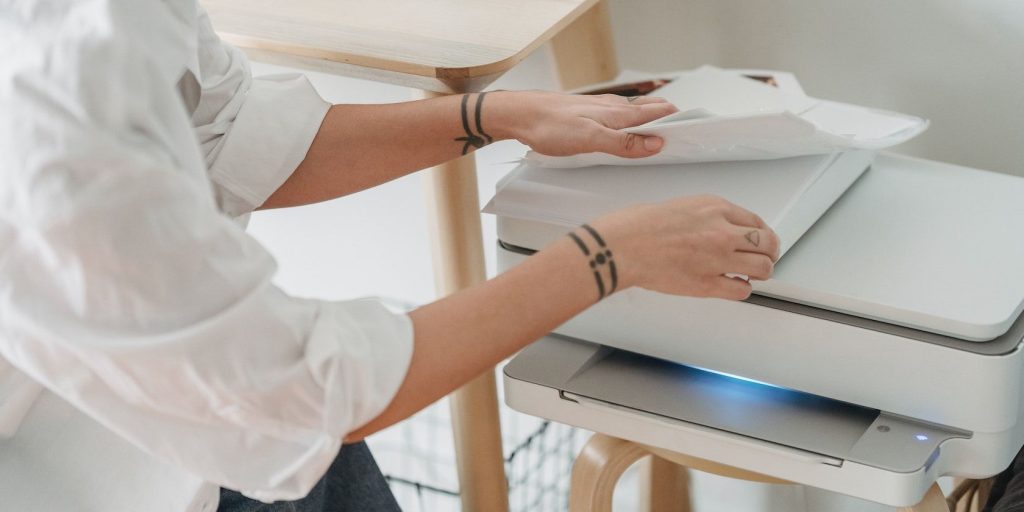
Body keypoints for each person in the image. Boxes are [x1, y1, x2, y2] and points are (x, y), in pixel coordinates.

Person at [0, 1, 780, 510]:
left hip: (217, 428)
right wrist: (608, 257)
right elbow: (307, 395)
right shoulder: (52, 114)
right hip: (93, 467)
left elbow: (225, 136)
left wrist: (496, 115)